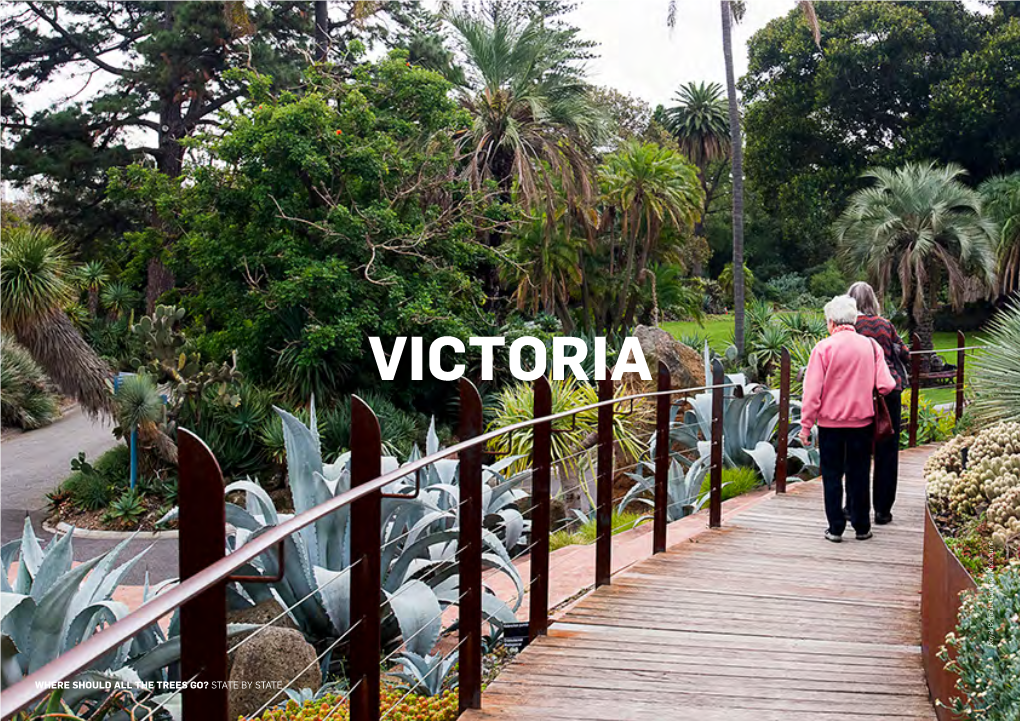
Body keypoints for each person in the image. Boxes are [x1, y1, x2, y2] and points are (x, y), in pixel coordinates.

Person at [799, 295, 896, 542]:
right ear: (854, 319)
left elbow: (812, 393)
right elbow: (887, 385)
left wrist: (805, 427)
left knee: (832, 476)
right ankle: (862, 527)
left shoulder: (823, 348)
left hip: (830, 425)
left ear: (831, 322)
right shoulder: (871, 346)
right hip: (861, 423)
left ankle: (835, 528)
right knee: (859, 474)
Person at [848, 281, 911, 525]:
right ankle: (882, 510)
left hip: (859, 393)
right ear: (872, 300)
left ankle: (852, 506)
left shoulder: (849, 326)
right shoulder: (886, 326)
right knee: (887, 451)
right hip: (889, 393)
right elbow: (905, 353)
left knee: (856, 450)